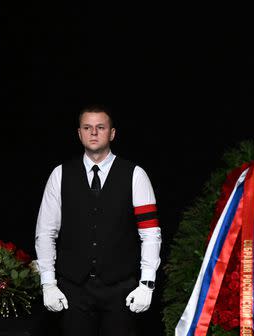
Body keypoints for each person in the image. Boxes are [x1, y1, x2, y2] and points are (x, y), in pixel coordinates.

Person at [34, 104, 161, 335]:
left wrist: (147, 283)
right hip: (73, 289)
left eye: (100, 127)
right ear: (79, 133)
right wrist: (48, 283)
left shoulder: (135, 175)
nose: (93, 133)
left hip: (121, 289)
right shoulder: (60, 174)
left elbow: (150, 233)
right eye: (87, 127)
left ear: (112, 133)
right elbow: (45, 233)